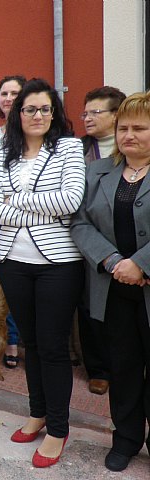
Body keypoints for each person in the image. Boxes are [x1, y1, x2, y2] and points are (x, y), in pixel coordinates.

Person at [0, 78, 85, 468]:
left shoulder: (69, 149)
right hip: (14, 262)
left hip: (58, 264)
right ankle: (37, 412)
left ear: (54, 112)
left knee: (54, 346)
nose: (38, 115)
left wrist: (18, 200)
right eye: (30, 109)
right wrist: (42, 207)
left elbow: (71, 199)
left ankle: (58, 428)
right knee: (31, 344)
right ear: (18, 114)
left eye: (45, 108)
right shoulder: (2, 154)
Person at [71, 91, 150, 472]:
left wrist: (142, 264)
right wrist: (113, 259)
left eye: (139, 128)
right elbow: (80, 222)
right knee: (124, 367)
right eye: (123, 128)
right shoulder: (97, 172)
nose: (128, 135)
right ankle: (127, 438)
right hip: (115, 289)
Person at [76, 86, 126, 396]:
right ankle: (98, 368)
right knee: (90, 306)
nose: (88, 118)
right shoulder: (78, 150)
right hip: (90, 240)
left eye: (97, 112)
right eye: (86, 113)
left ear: (116, 114)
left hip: (131, 243)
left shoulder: (131, 150)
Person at [0, 75, 26, 369]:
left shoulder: (39, 137)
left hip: (31, 223)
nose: (9, 98)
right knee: (1, 286)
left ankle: (14, 341)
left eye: (15, 93)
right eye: (4, 93)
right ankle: (2, 340)